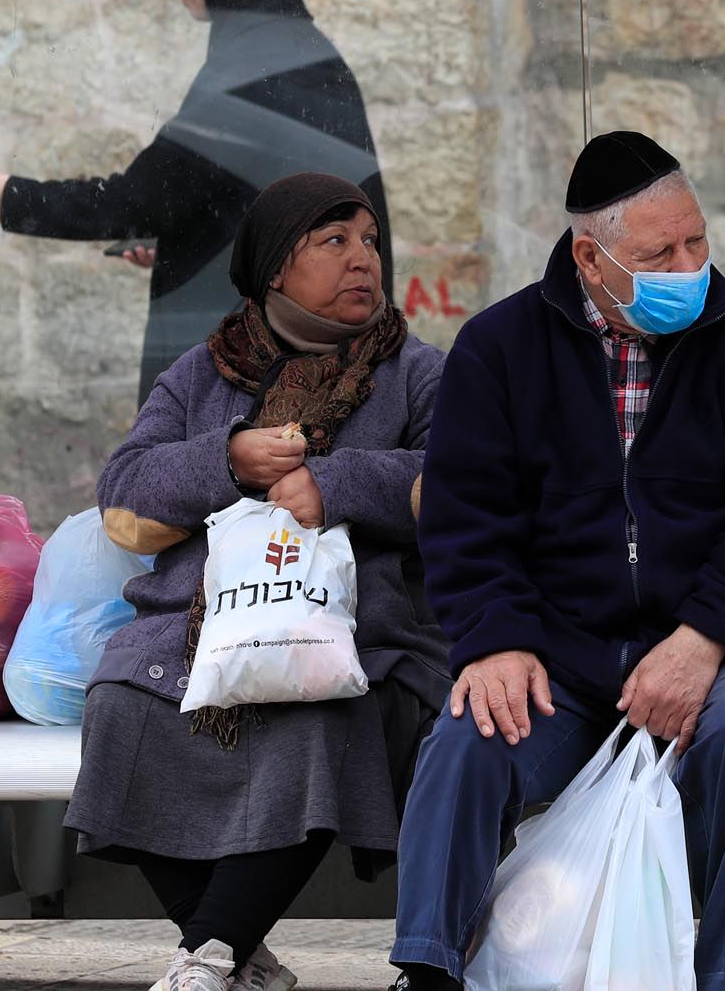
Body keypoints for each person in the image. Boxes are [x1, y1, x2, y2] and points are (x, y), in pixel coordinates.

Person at [388, 132, 725, 991]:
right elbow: (466, 524)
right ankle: (427, 972)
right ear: (592, 256)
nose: (690, 266)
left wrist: (701, 642)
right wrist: (495, 639)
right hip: (558, 654)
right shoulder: (498, 348)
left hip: (724, 645)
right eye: (661, 252)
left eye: (696, 241)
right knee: (469, 741)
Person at [71, 173, 449, 991]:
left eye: (371, 242)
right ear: (277, 267)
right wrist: (228, 458)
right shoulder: (203, 374)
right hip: (194, 623)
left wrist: (337, 484)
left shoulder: (417, 372)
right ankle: (240, 957)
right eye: (335, 241)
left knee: (317, 712)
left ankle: (208, 955)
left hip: (359, 627)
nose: (364, 261)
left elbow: (460, 479)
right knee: (121, 706)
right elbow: (125, 487)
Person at [0, 0, 391, 399]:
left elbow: (140, 199)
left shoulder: (255, 68)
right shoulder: (298, 51)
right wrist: (190, 233)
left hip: (267, 375)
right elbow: (262, 199)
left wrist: (9, 199)